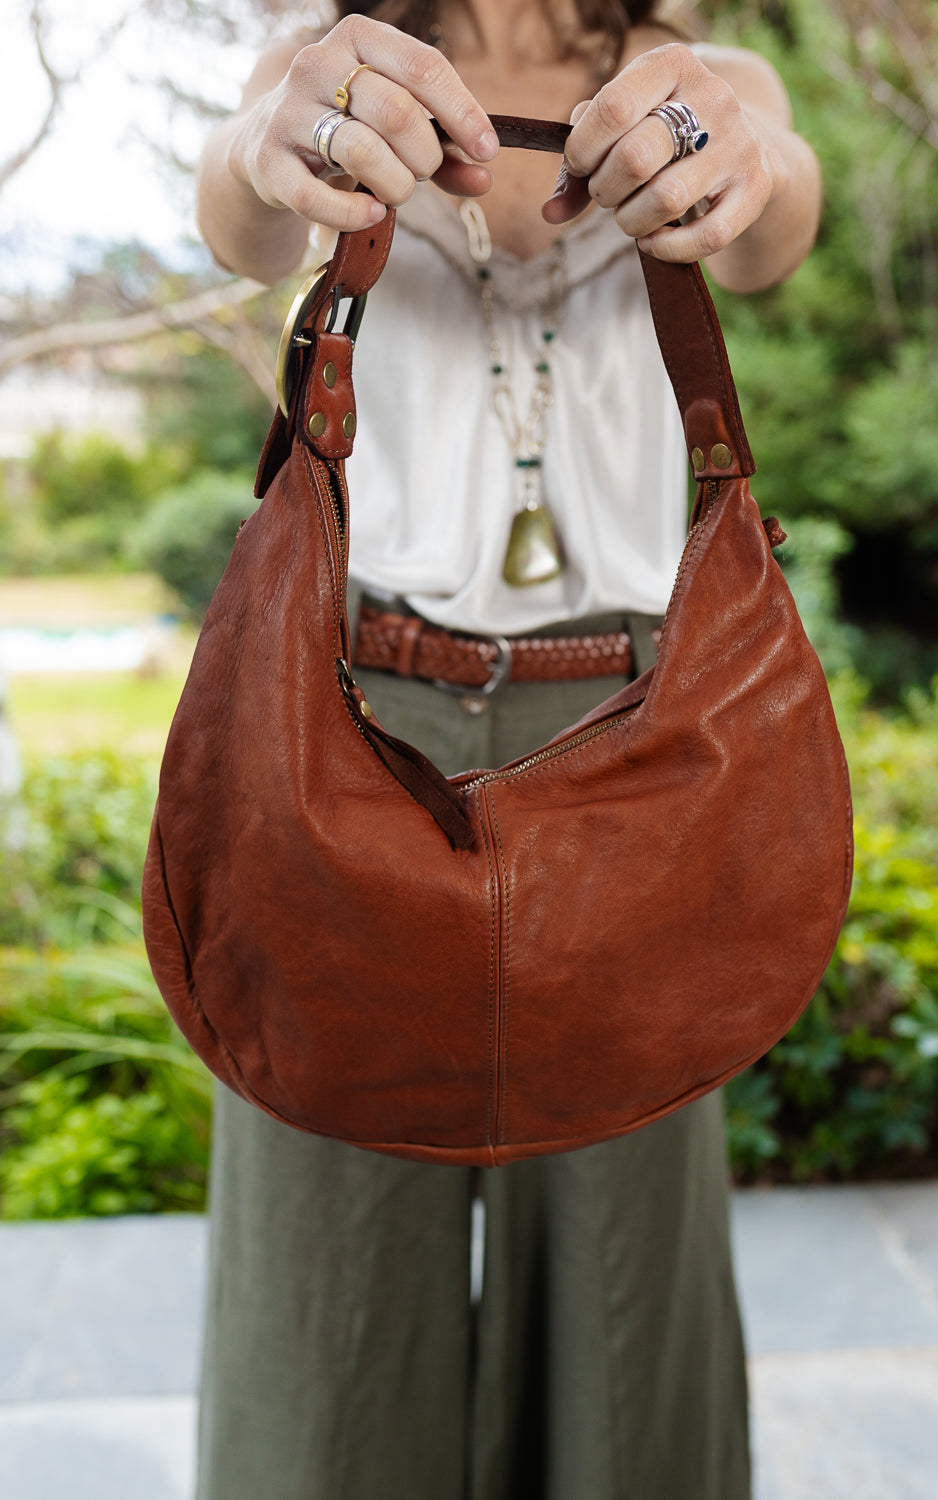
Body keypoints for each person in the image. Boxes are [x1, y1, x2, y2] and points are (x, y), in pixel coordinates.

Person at [194, 3, 822, 1497]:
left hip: (635, 740)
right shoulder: (326, 64)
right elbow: (241, 212)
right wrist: (274, 138)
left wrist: (743, 163)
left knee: (628, 1312)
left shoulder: (705, 78)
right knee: (322, 1302)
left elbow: (773, 213)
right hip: (348, 727)